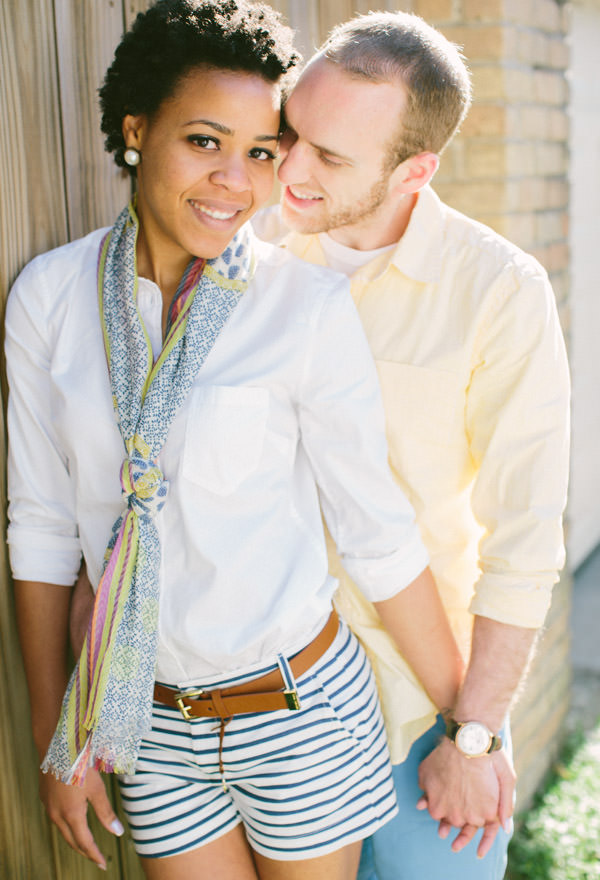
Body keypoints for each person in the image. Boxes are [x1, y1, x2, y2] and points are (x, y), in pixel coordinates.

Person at [6, 2, 465, 879]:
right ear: (137, 129)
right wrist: (52, 735)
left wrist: (473, 721)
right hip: (150, 721)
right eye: (204, 141)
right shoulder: (49, 300)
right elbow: (40, 529)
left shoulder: (304, 308)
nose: (232, 182)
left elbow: (377, 532)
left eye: (260, 152)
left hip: (299, 711)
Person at [252, 10, 570, 880]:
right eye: (292, 134)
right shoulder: (246, 257)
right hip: (263, 712)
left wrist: (474, 734)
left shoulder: (500, 291)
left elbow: (525, 542)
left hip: (421, 714)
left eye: (333, 158)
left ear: (415, 171)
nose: (291, 167)